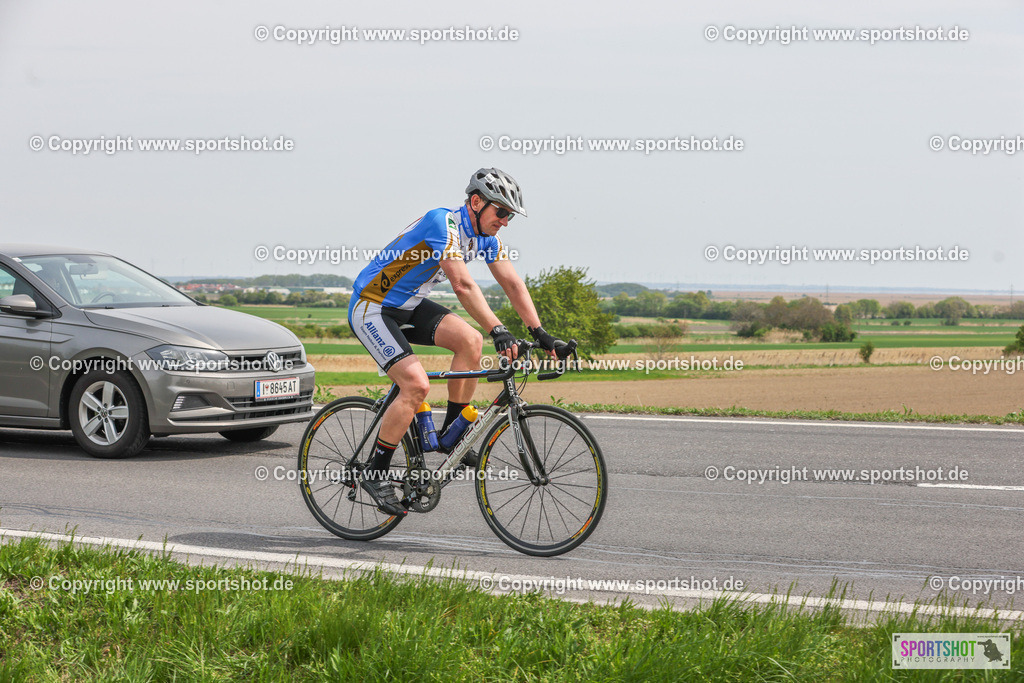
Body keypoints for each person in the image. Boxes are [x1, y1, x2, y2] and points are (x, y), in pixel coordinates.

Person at [348, 168, 564, 515]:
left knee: (470, 341)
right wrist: (499, 329)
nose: (506, 221)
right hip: (373, 305)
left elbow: (512, 284)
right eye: (501, 212)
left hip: (409, 305)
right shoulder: (443, 223)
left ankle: (451, 432)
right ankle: (375, 471)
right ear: (476, 202)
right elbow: (462, 285)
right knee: (416, 386)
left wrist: (540, 333)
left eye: (510, 215)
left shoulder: (486, 238)